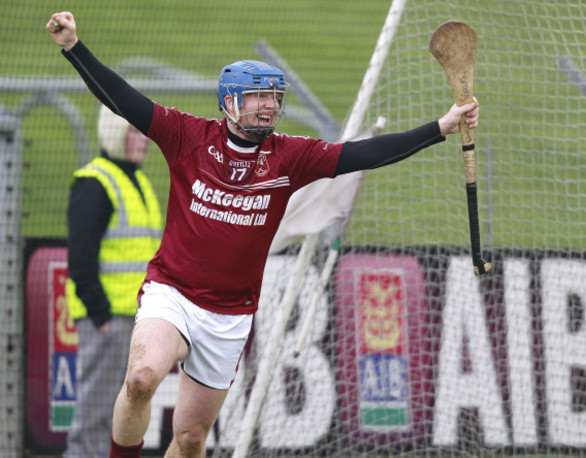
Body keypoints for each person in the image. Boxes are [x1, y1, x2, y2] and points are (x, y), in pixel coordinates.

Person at [47, 10, 479, 458]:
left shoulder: (288, 156)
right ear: (230, 103)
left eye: (274, 96)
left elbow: (361, 154)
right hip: (171, 292)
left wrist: (440, 128)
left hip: (229, 316)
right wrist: (74, 47)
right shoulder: (187, 136)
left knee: (192, 438)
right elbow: (124, 99)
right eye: (258, 97)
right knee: (140, 379)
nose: (270, 105)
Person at [64, 104, 162, 457]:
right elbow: (80, 258)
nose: (143, 141)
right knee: (96, 414)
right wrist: (101, 316)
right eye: (133, 133)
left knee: (120, 416)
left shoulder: (138, 182)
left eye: (143, 133)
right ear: (114, 134)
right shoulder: (96, 182)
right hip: (110, 322)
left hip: (135, 320)